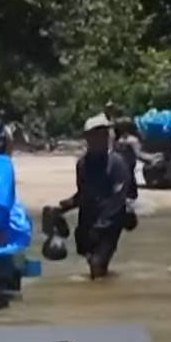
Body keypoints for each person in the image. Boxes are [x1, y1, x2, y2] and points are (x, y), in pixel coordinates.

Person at [55, 114, 133, 278]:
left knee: (97, 263)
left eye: (106, 133)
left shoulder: (117, 163)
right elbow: (84, 193)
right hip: (88, 221)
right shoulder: (83, 164)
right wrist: (64, 207)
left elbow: (118, 199)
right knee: (91, 261)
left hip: (110, 224)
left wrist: (102, 225)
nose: (103, 137)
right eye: (98, 133)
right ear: (87, 137)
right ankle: (106, 281)